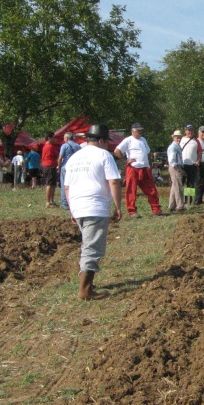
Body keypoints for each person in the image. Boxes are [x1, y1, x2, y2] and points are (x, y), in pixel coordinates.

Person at [64, 124, 122, 301]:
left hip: (78, 206)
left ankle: (87, 284)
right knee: (92, 249)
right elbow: (113, 182)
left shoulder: (74, 158)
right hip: (95, 207)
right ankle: (85, 291)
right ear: (102, 140)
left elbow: (67, 187)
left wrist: (72, 210)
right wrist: (118, 207)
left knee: (87, 244)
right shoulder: (104, 155)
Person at [114, 123, 163, 218]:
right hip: (133, 168)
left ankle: (156, 209)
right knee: (131, 190)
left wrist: (150, 165)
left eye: (141, 130)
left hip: (144, 168)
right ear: (133, 131)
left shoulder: (143, 139)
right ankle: (132, 211)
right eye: (138, 130)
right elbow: (117, 151)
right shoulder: (128, 140)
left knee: (151, 189)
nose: (140, 132)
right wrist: (125, 161)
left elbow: (148, 152)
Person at [57, 132, 81, 210]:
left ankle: (65, 204)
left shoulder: (65, 145)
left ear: (67, 138)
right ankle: (74, 202)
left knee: (65, 186)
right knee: (75, 185)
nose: (64, 140)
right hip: (75, 168)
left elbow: (60, 158)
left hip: (65, 167)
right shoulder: (78, 146)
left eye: (64, 138)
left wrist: (59, 167)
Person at [167, 129, 186, 212]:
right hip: (175, 167)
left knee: (175, 187)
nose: (179, 139)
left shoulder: (177, 146)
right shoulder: (173, 147)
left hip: (177, 167)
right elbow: (172, 160)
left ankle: (171, 205)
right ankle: (180, 205)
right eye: (177, 137)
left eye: (180, 137)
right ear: (173, 138)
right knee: (178, 187)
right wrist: (178, 169)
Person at [41, 132, 60, 207]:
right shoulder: (50, 146)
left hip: (48, 166)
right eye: (53, 137)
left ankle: (51, 201)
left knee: (53, 184)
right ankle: (48, 202)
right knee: (49, 184)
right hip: (50, 166)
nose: (54, 139)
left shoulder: (46, 146)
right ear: (49, 138)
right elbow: (57, 155)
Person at [179, 125, 200, 190]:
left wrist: (198, 161)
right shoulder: (181, 139)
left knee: (191, 184)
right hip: (183, 165)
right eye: (188, 130)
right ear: (185, 131)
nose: (190, 132)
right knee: (181, 183)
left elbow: (199, 152)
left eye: (191, 130)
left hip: (193, 165)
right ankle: (181, 199)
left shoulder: (196, 141)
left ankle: (189, 199)